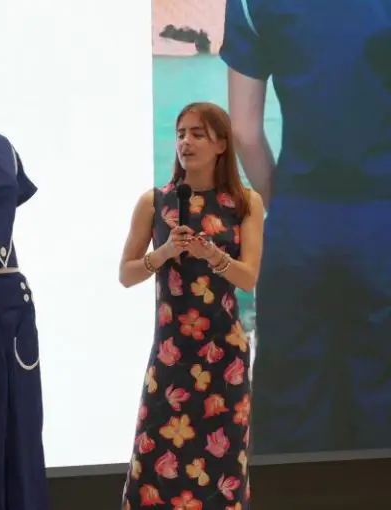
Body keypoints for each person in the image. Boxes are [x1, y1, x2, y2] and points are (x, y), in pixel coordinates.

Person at [220, 0, 391, 454]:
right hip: (382, 220)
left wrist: (285, 202)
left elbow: (244, 133)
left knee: (292, 409)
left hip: (299, 222)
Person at [119, 102, 265, 509]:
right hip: (172, 355)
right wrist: (163, 253)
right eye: (181, 133)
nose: (186, 142)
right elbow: (126, 274)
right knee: (155, 463)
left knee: (221, 469)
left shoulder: (245, 202)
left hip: (225, 359)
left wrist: (212, 255)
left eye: (198, 134)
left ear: (221, 144)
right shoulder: (154, 202)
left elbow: (249, 277)